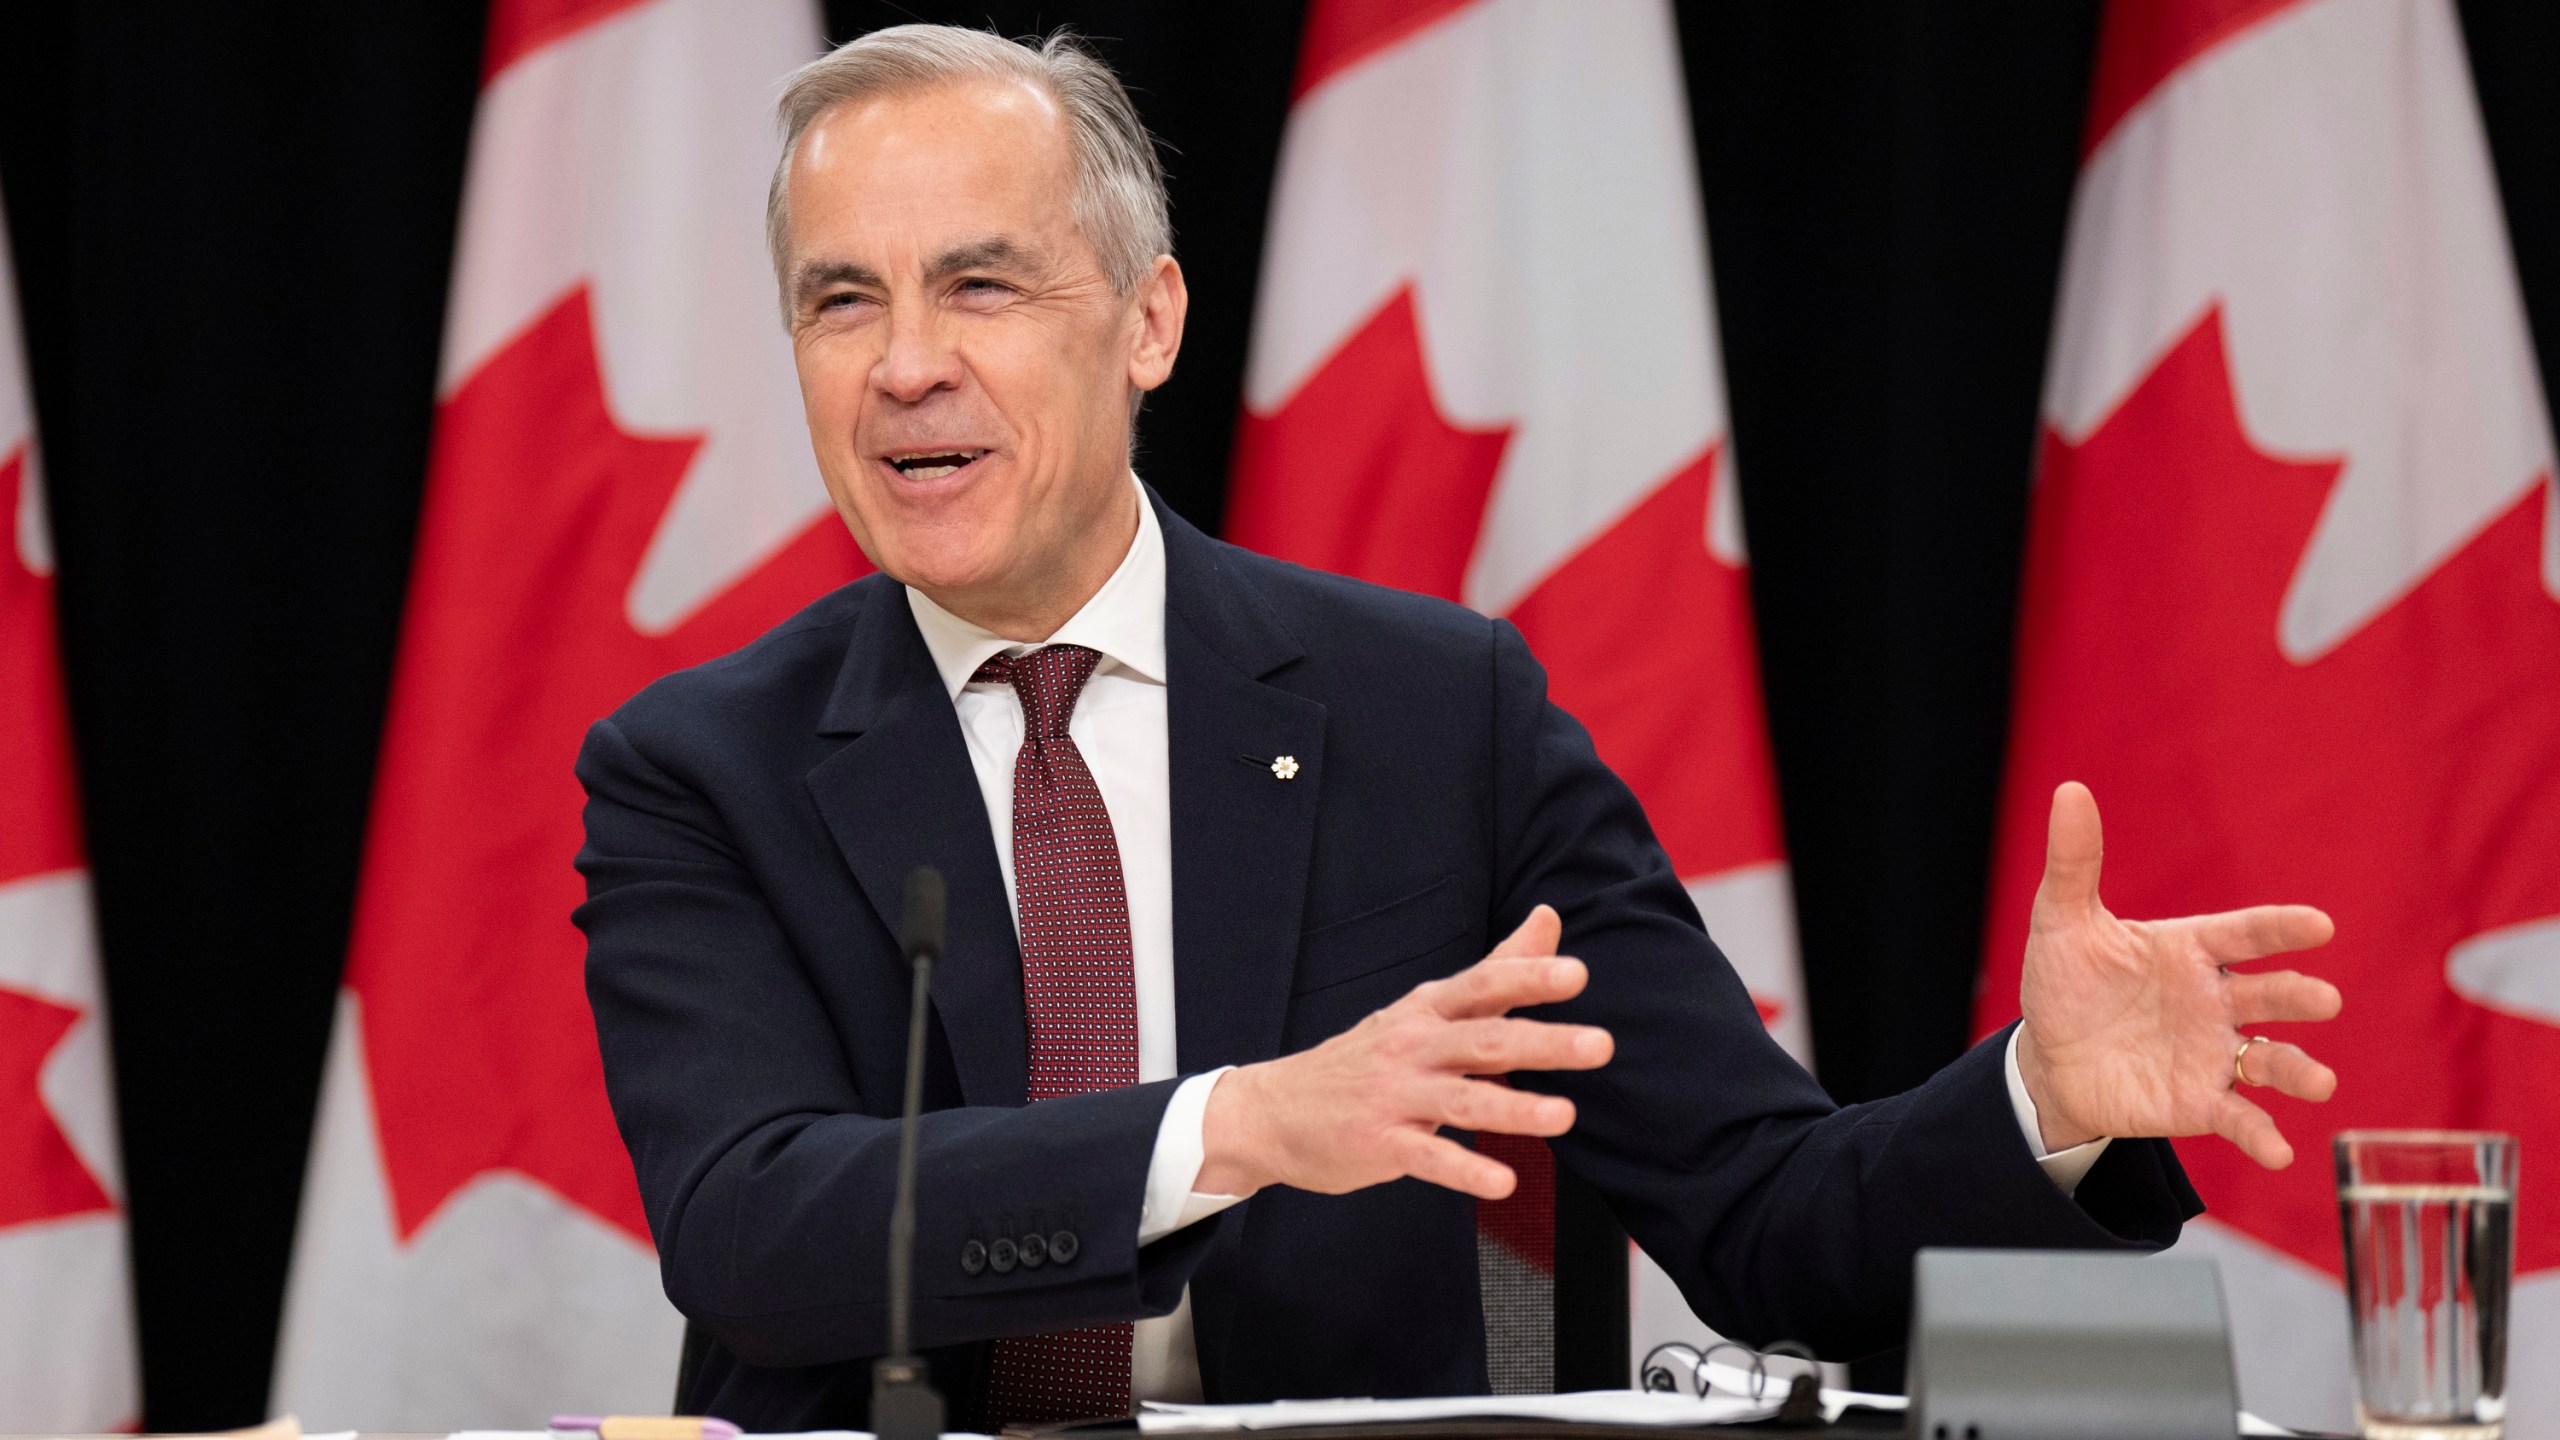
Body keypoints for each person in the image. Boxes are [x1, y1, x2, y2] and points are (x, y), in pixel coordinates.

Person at [574, 24, 2343, 1432]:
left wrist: (2044, 1096)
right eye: (841, 299)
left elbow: (1764, 1218)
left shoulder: (1440, 718)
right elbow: (752, 1232)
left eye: (979, 286)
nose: (903, 366)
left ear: (1150, 322)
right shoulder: (699, 770)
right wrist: (1239, 1126)